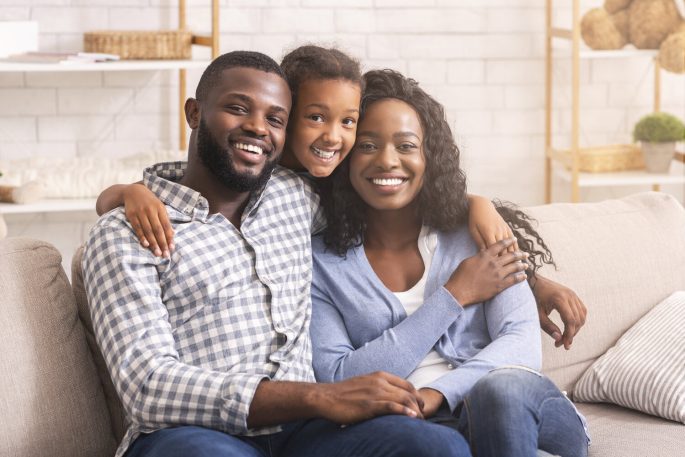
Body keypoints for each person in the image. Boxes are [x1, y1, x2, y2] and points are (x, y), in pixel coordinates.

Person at [82, 51, 472, 457]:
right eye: (237, 108)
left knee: (435, 445)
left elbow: (396, 207)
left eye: (275, 119)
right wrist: (317, 397)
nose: (257, 127)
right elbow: (148, 387)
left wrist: (503, 247)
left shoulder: (296, 197)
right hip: (192, 436)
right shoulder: (124, 233)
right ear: (195, 112)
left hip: (306, 435)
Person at [96, 44, 587, 350]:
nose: (334, 136)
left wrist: (529, 274)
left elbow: (425, 205)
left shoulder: (325, 185)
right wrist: (127, 192)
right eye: (314, 117)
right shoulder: (246, 167)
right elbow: (160, 197)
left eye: (348, 122)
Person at [310, 69, 590, 457]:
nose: (388, 161)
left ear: (430, 157)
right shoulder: (322, 262)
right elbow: (340, 377)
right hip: (420, 434)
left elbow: (522, 346)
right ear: (346, 155)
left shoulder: (476, 234)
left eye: (406, 146)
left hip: (522, 411)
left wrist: (437, 393)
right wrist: (455, 294)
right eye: (368, 146)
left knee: (500, 390)